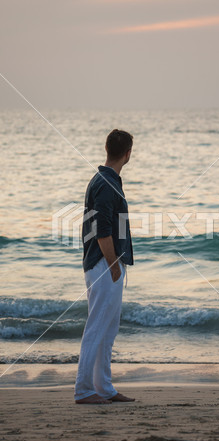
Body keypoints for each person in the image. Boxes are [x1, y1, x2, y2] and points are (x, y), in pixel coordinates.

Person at [74, 129, 135, 404]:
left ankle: (104, 388)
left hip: (102, 263)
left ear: (107, 148)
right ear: (127, 154)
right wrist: (113, 265)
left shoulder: (104, 179)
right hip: (103, 264)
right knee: (98, 327)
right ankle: (84, 389)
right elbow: (102, 230)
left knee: (108, 329)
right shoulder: (107, 183)